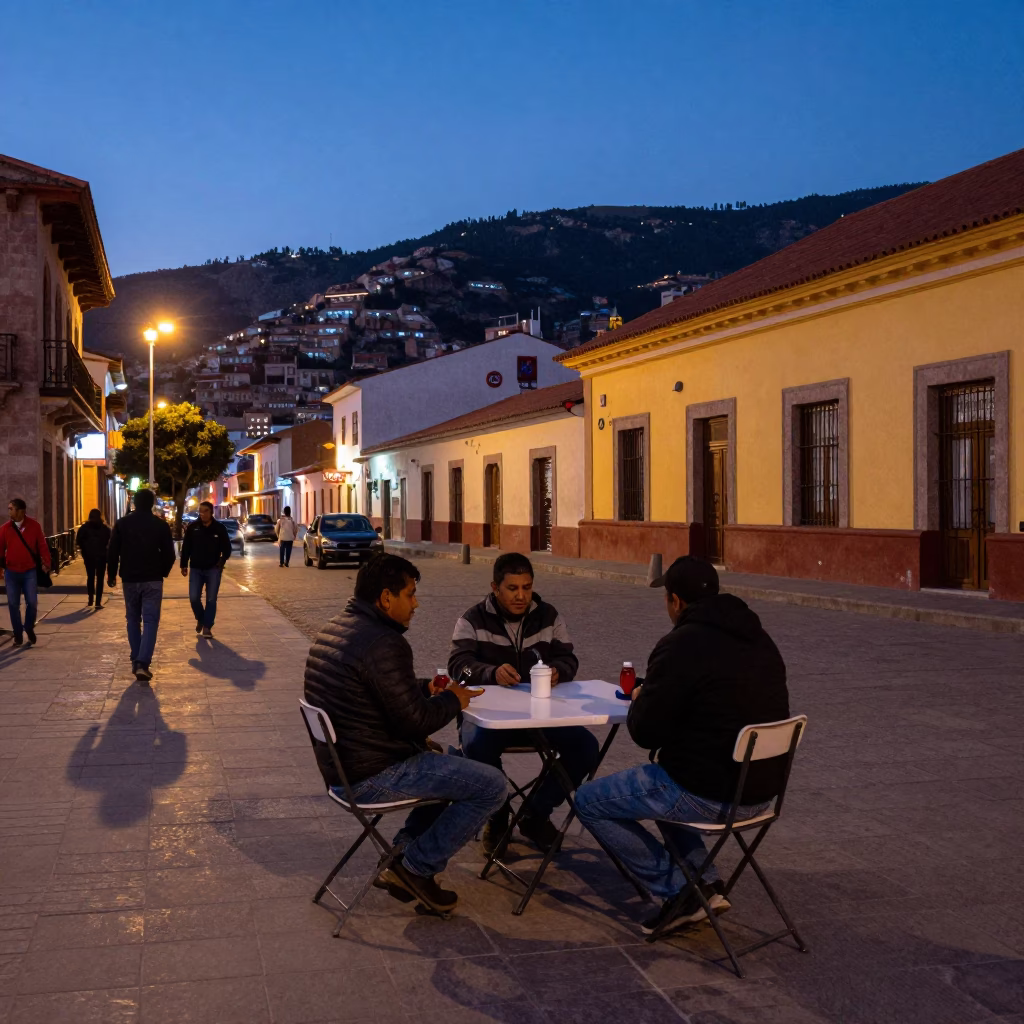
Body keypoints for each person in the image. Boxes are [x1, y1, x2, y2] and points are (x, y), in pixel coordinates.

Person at [575, 556, 790, 936]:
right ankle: (705, 881)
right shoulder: (759, 637)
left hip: (710, 792)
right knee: (664, 782)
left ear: (674, 601)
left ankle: (680, 890)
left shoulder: (680, 645)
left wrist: (642, 696)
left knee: (589, 801)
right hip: (763, 790)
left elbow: (645, 733)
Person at [303, 552, 506, 915]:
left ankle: (401, 859)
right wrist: (453, 700)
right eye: (410, 595)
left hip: (345, 770)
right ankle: (415, 867)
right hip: (372, 774)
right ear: (385, 598)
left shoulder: (338, 627)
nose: (416, 604)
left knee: (455, 762)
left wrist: (425, 687)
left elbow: (377, 690)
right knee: (491, 785)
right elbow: (415, 723)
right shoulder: (383, 641)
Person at [448, 552, 599, 854]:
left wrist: (561, 671)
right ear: (495, 587)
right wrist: (490, 673)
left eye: (527, 588)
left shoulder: (548, 616)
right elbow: (458, 665)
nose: (521, 596)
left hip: (541, 717)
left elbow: (568, 657)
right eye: (513, 588)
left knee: (586, 746)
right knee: (476, 746)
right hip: (490, 719)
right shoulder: (472, 619)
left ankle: (535, 813)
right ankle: (498, 814)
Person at [106, 489, 176, 684]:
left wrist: (111, 574)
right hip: (153, 578)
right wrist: (162, 571)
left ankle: (137, 658)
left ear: (134, 502)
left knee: (132, 619)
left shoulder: (122, 523)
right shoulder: (160, 525)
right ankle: (142, 663)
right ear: (152, 503)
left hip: (129, 578)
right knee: (151, 620)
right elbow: (170, 554)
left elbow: (113, 552)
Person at [0, 498, 51, 648]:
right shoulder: (5, 528)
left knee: (32, 602)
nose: (9, 511)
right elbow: (0, 549)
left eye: (11, 509)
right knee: (13, 604)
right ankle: (17, 635)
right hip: (11, 572)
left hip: (29, 571)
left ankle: (28, 627)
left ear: (21, 511)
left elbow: (42, 545)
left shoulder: (34, 526)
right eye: (8, 508)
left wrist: (46, 562)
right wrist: (1, 568)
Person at [180, 501, 232, 637]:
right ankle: (201, 619)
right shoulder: (193, 528)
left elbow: (227, 548)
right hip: (196, 569)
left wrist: (221, 562)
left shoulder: (219, 528)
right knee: (194, 598)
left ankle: (207, 627)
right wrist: (183, 564)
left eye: (205, 511)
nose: (202, 514)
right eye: (200, 511)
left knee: (211, 599)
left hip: (213, 569)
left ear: (211, 512)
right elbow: (186, 548)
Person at [76, 508, 112, 608]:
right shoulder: (105, 529)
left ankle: (90, 599)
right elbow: (109, 543)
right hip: (101, 557)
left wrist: (85, 549)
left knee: (90, 577)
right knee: (100, 579)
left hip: (89, 557)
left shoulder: (84, 528)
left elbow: (78, 541)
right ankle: (98, 602)